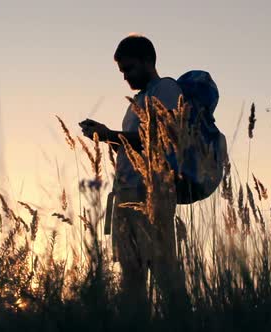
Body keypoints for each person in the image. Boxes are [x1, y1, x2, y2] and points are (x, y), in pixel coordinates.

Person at [79, 34, 189, 322]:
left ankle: (182, 323)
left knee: (164, 269)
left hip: (151, 192)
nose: (125, 77)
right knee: (131, 276)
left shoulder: (166, 89)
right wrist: (105, 137)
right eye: (122, 71)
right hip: (125, 193)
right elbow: (131, 144)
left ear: (148, 61)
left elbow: (158, 138)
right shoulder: (137, 101)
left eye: (129, 69)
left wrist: (109, 134)